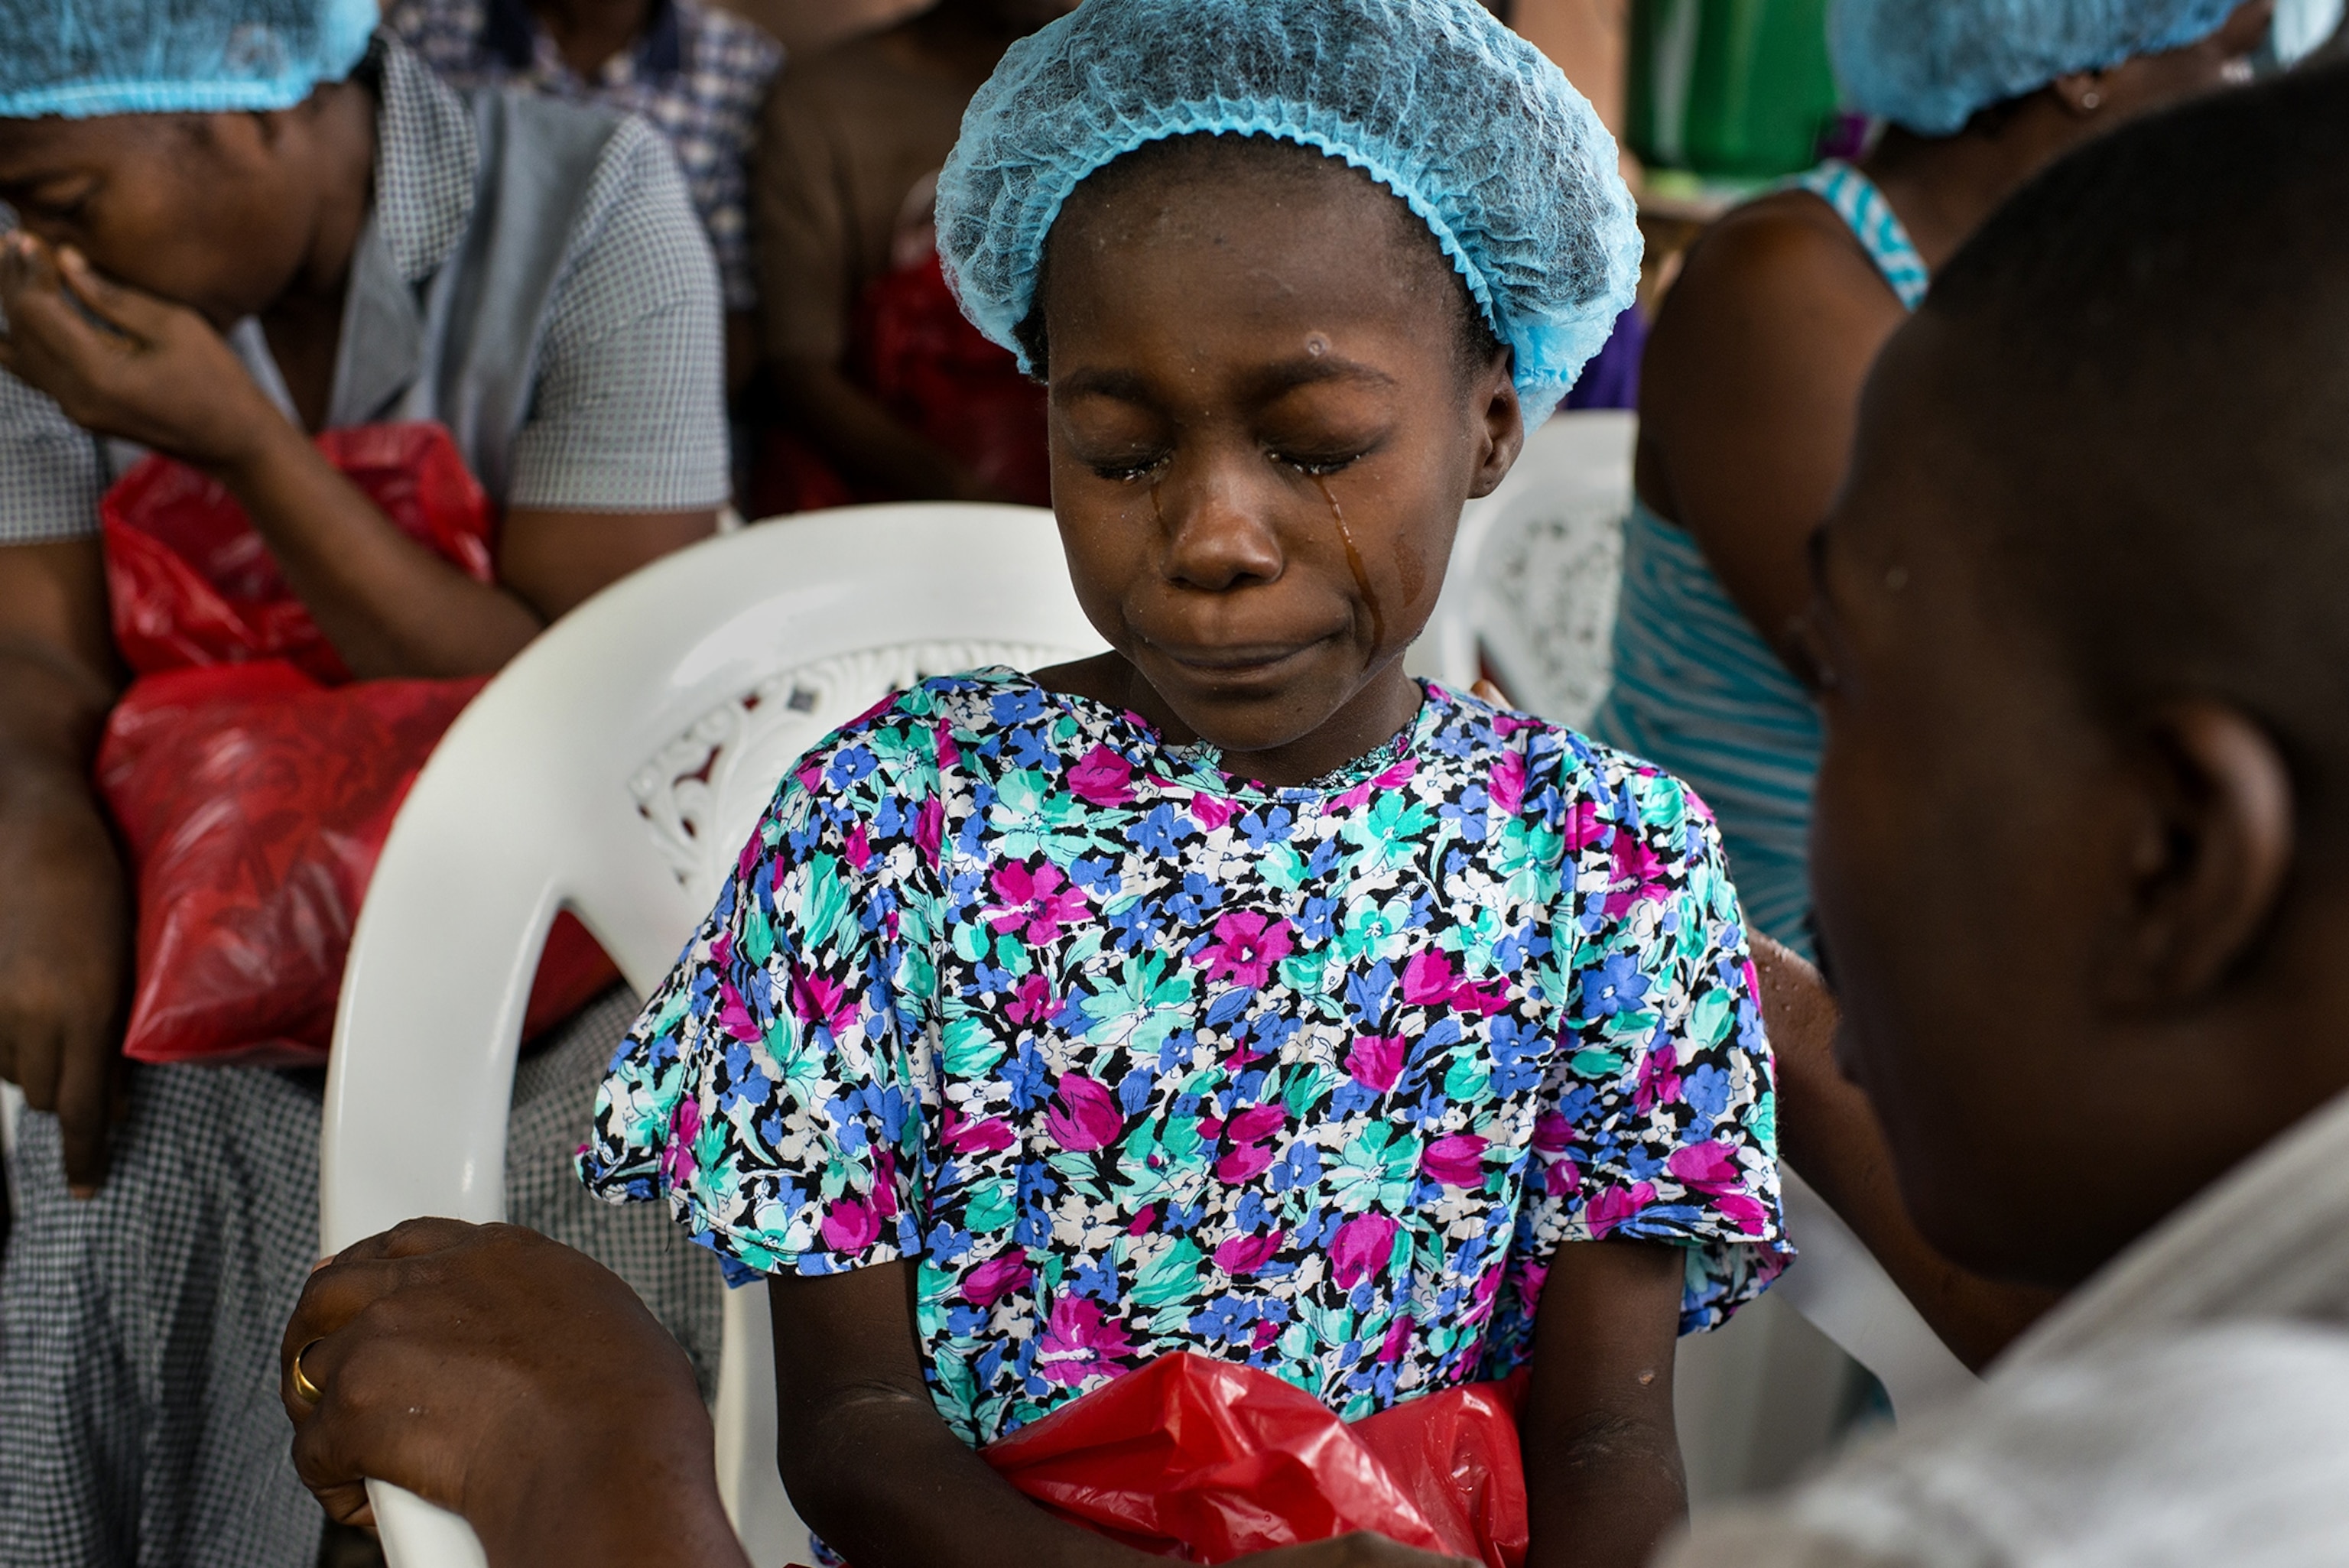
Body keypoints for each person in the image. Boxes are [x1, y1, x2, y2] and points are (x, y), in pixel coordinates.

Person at [283, 50, 2349, 1567]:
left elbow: (1614, 1448)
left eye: (1319, 442)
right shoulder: (890, 824)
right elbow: (862, 1429)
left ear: (1492, 422)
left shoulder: (1604, 864)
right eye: (1115, 451)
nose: (1212, 537)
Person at [0, 3, 731, 1563]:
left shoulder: (597, 200)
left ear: (253, 110)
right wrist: (38, 828)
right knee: (101, 1129)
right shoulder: (37, 274)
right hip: (204, 934)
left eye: (62, 201)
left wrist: (248, 448)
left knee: (619, 1135)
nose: (31, 247)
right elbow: (40, 657)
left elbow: (588, 701)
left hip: (562, 921)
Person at [1595, 0, 2289, 1371]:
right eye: (2225, 55)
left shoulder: (2084, 296)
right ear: (2082, 62)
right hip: (1761, 929)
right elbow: (2006, 724)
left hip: (1975, 881)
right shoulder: (1782, 282)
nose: (2236, 99)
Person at [747, 0, 1077, 511]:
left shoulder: (1114, 87)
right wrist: (966, 494)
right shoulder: (828, 104)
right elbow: (800, 369)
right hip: (904, 503)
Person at [382, 0, 783, 393]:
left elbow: (735, 332)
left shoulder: (738, 67)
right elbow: (381, 270)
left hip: (638, 403)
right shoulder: (429, 33)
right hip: (443, 389)